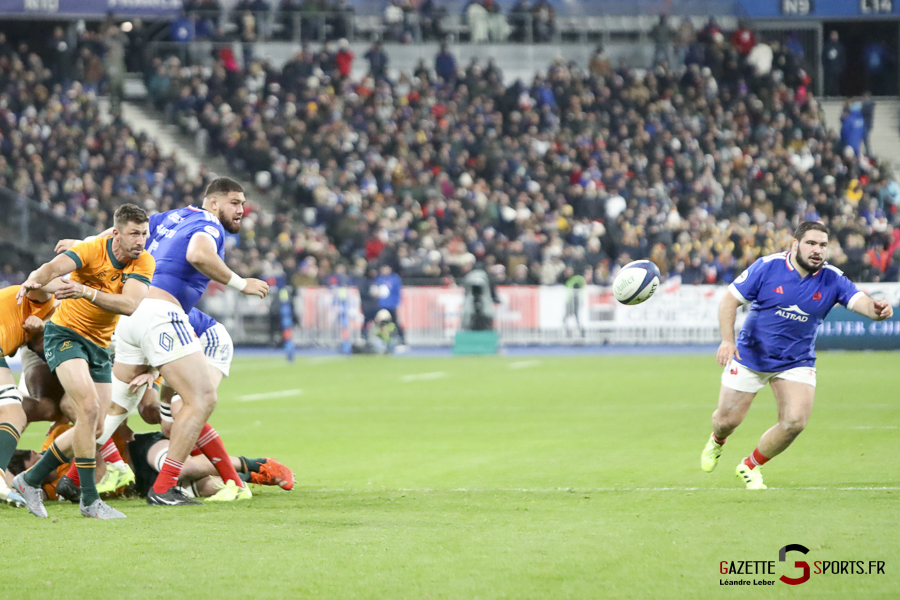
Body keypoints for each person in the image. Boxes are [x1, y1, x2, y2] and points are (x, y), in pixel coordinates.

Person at [700, 222, 894, 489]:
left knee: (794, 422)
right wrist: (726, 341)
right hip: (751, 356)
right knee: (726, 421)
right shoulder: (767, 266)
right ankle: (717, 441)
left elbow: (864, 304)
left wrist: (879, 310)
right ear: (795, 244)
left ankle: (750, 465)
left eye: (823, 245)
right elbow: (729, 301)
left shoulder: (832, 278)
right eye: (811, 243)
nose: (817, 250)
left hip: (796, 361)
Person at [12, 204, 155, 519]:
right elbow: (53, 267)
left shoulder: (144, 262)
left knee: (96, 426)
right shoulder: (92, 250)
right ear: (116, 233)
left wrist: (85, 292)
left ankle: (29, 480)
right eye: (134, 233)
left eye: (144, 233)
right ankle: (89, 500)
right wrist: (34, 279)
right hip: (64, 335)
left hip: (99, 345)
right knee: (87, 409)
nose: (141, 240)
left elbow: (129, 305)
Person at [0, 284, 56, 506]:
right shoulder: (40, 304)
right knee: (13, 412)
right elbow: (40, 284)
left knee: (13, 410)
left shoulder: (15, 335)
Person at [376, 264, 405, 344]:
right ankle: (382, 340)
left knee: (395, 323)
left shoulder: (394, 279)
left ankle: (402, 340)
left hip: (391, 305)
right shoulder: (378, 278)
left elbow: (397, 293)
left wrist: (396, 304)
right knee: (380, 324)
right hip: (381, 305)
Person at [822, 31, 845, 97]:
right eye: (833, 35)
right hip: (829, 68)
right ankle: (828, 94)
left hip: (838, 68)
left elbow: (843, 57)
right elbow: (823, 57)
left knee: (837, 82)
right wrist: (825, 66)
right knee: (829, 82)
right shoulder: (827, 46)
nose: (834, 37)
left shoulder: (840, 46)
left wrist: (841, 67)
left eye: (836, 35)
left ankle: (836, 94)